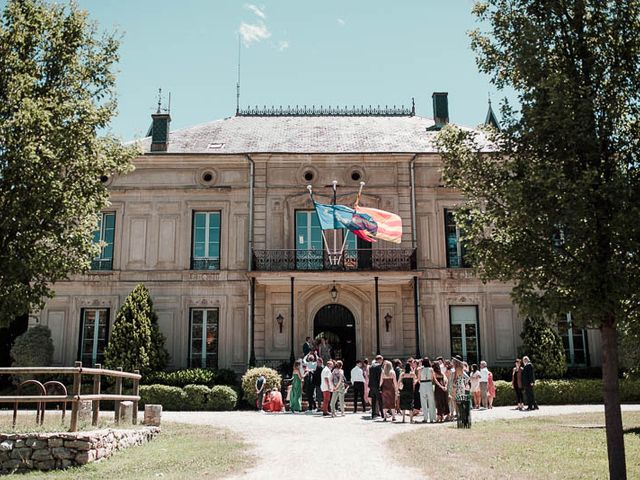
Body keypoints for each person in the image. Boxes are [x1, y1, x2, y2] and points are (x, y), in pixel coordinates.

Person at [452, 356, 471, 428]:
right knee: (461, 403)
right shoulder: (461, 368)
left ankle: (462, 419)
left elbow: (455, 379)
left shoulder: (457, 369)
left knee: (459, 403)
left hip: (458, 387)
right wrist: (465, 383)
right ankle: (464, 420)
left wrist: (455, 385)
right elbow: (467, 377)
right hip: (461, 387)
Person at [418, 357, 436, 423]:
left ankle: (425, 418)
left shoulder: (420, 369)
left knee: (423, 402)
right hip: (429, 384)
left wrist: (422, 383)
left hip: (422, 384)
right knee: (431, 401)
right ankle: (432, 418)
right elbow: (432, 378)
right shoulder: (431, 369)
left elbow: (418, 378)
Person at [368, 355, 384, 419]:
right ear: (379, 360)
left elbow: (370, 376)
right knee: (380, 401)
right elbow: (379, 377)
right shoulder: (379, 367)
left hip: (371, 385)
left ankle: (373, 414)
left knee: (373, 401)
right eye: (382, 360)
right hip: (377, 386)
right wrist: (380, 386)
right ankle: (382, 414)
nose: (382, 361)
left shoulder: (371, 366)